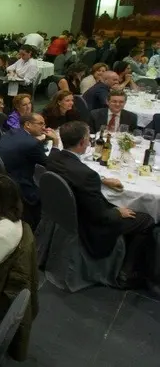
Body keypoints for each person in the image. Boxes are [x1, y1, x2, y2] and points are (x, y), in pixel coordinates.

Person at [48, 121, 158, 290]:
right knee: (147, 220)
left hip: (65, 213)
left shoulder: (55, 157)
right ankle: (126, 272)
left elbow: (75, 173)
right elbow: (100, 216)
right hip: (88, 226)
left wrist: (102, 180)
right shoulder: (87, 175)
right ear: (83, 142)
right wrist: (117, 212)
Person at [0, 113, 58, 223]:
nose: (44, 127)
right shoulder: (32, 144)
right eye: (40, 124)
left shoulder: (11, 132)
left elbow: (24, 145)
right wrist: (55, 143)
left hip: (1, 178)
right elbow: (51, 164)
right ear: (28, 125)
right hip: (20, 186)